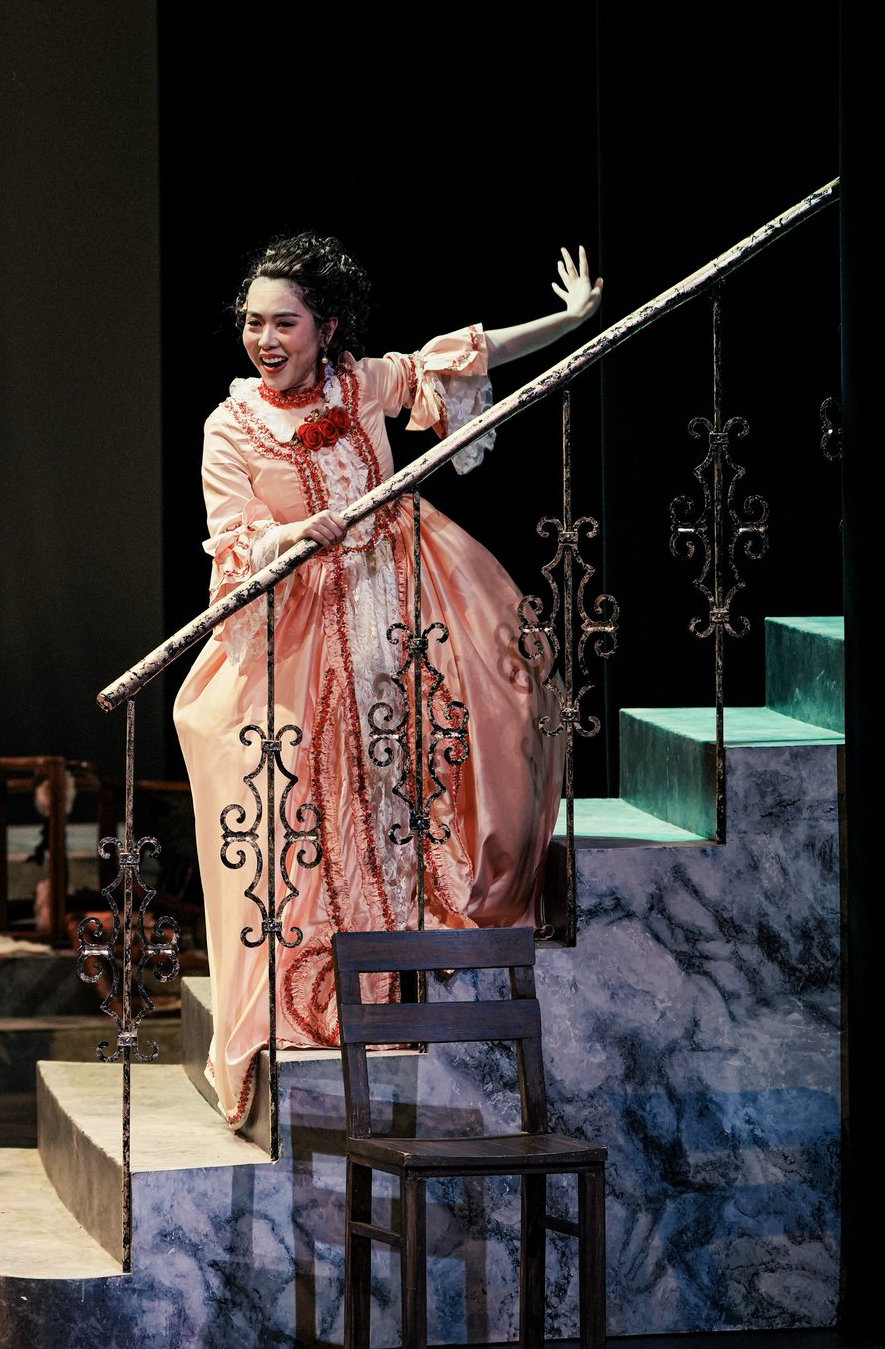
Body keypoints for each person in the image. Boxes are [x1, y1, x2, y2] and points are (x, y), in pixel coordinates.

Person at [171, 236, 602, 1130]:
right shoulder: (232, 425)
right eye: (253, 321)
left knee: (479, 718)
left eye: (283, 320)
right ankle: (331, 982)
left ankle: (434, 934)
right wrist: (296, 536)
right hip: (306, 614)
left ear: (325, 327)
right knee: (311, 793)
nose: (263, 337)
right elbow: (234, 538)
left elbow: (464, 354)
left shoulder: (360, 383)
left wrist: (569, 320)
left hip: (406, 589)